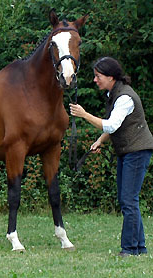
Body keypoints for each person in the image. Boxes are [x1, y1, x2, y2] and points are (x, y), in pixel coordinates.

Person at [70, 57, 153, 257]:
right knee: (128, 200)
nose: (94, 80)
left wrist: (84, 115)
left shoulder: (125, 97)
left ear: (111, 77)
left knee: (128, 200)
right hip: (129, 151)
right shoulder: (114, 93)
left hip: (137, 151)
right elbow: (115, 124)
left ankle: (129, 249)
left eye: (98, 76)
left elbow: (111, 125)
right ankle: (139, 247)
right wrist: (100, 140)